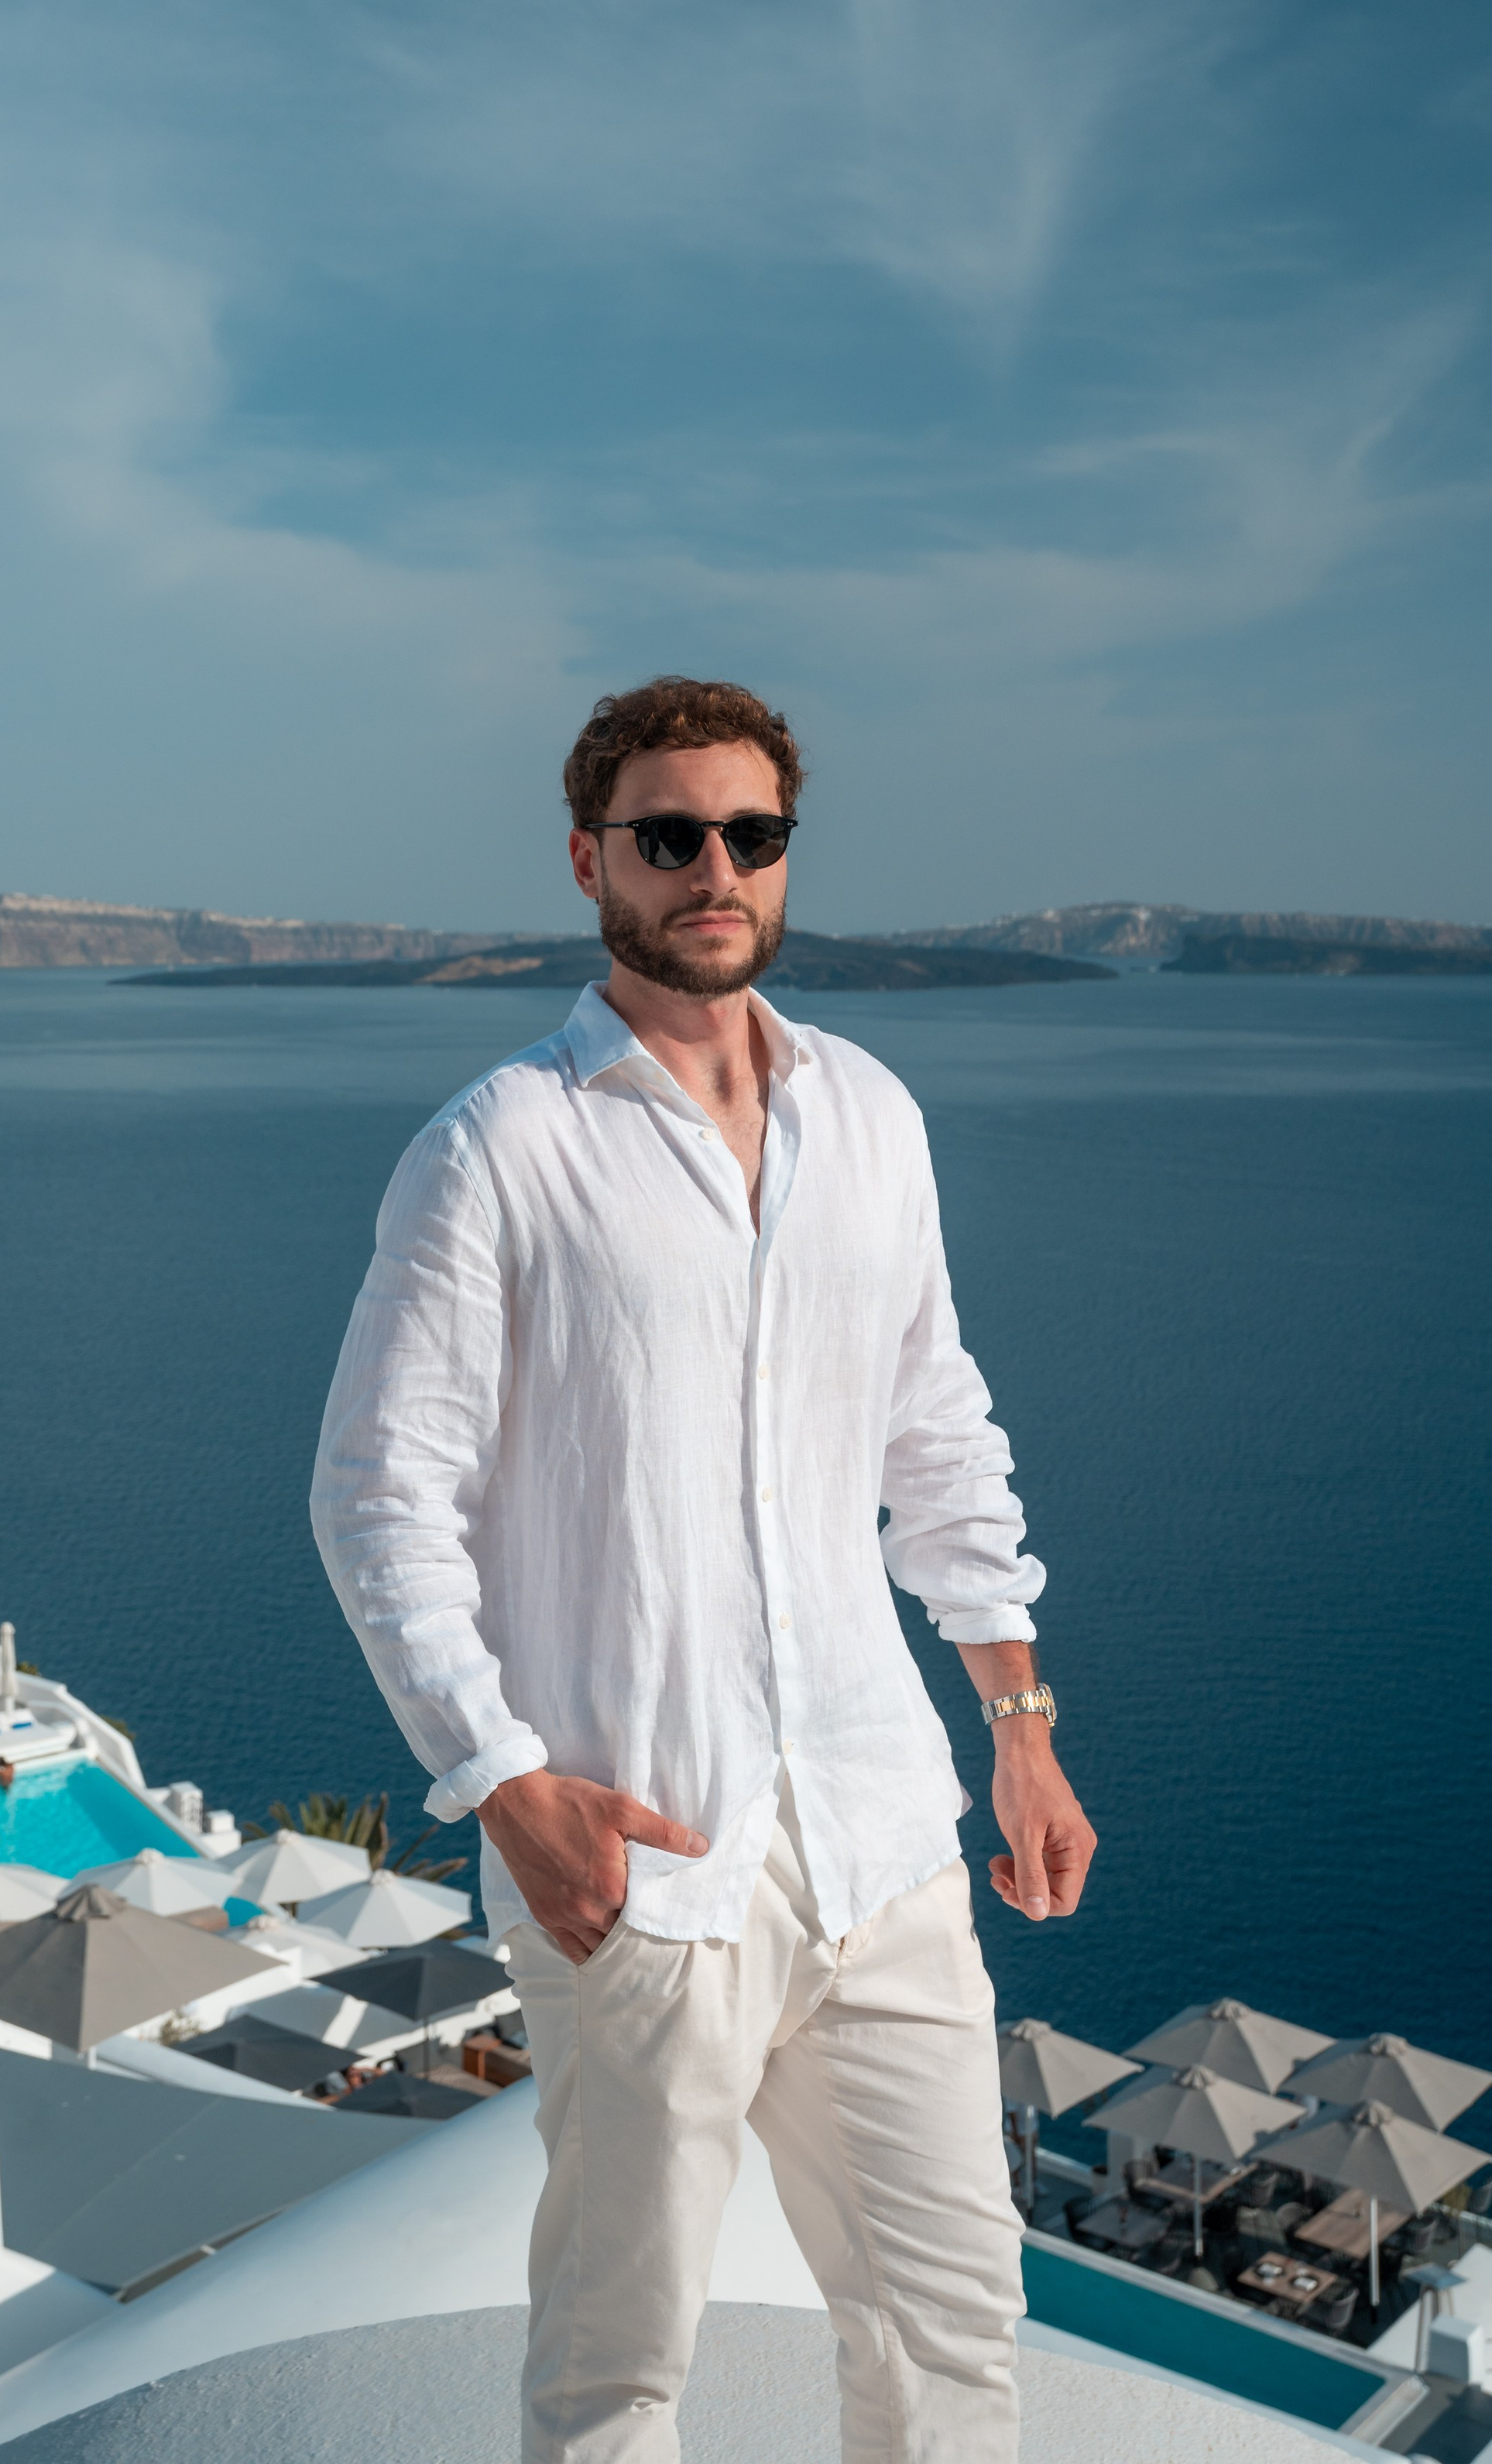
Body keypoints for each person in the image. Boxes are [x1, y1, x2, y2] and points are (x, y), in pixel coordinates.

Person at [312, 676, 1096, 2464]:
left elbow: (936, 1434)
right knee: (615, 2375)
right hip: (644, 1862)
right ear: (591, 860)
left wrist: (1020, 1727)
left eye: (748, 835)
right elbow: (375, 1497)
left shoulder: (868, 1118)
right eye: (668, 836)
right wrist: (504, 1792)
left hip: (880, 1841)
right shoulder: (499, 1148)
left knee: (955, 2328)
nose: (712, 870)